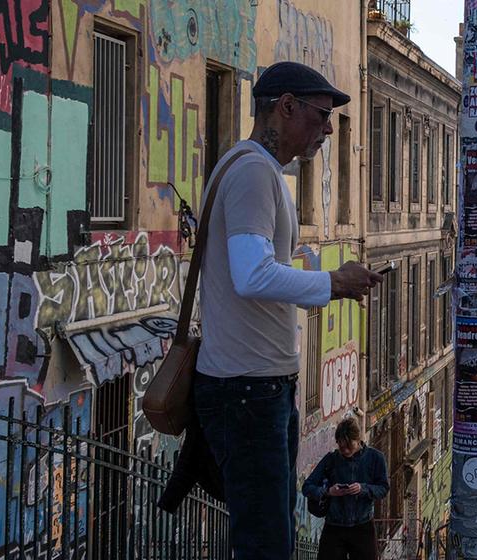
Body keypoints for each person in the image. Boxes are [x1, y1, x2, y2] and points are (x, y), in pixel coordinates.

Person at [193, 61, 381, 560]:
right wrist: (331, 281)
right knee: (266, 540)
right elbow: (251, 274)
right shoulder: (254, 172)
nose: (326, 130)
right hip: (248, 390)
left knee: (267, 526)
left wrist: (329, 275)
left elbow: (261, 266)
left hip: (256, 387)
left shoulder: (254, 168)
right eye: (321, 116)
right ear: (287, 106)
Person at [302, 418, 390, 559]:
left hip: (363, 526)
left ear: (358, 440)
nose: (345, 451)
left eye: (349, 446)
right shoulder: (331, 459)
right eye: (341, 447)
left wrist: (363, 488)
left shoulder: (376, 458)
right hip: (334, 527)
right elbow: (307, 487)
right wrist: (328, 492)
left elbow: (384, 488)